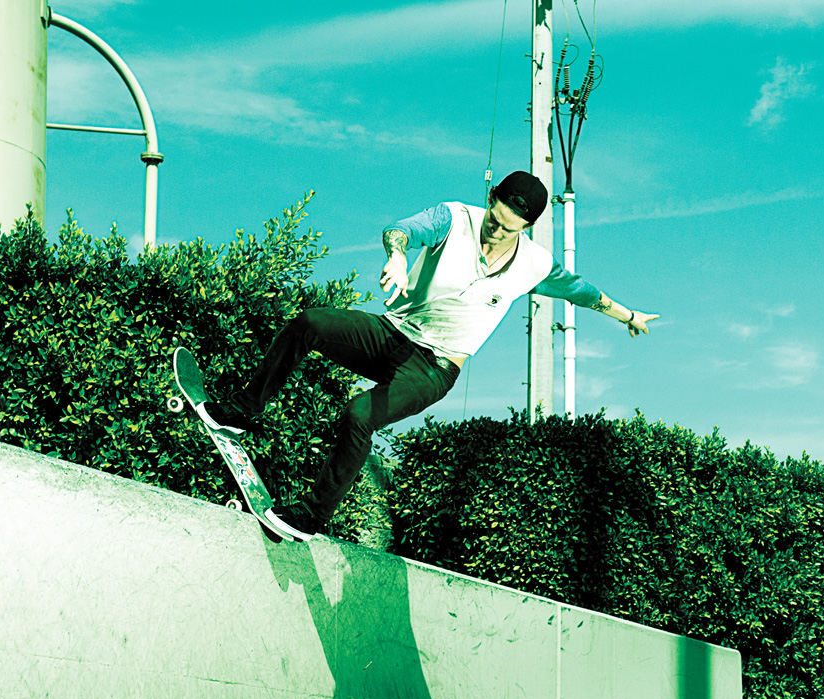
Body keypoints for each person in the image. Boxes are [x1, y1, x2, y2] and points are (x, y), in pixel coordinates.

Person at [203, 171, 658, 536]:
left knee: (360, 414)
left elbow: (584, 292)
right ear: (491, 199)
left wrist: (629, 315)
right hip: (391, 333)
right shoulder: (455, 217)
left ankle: (310, 516)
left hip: (432, 368)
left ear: (527, 228)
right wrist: (397, 256)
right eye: (494, 219)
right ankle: (242, 411)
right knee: (311, 323)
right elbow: (401, 229)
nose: (496, 231)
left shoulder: (535, 264)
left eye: (508, 229)